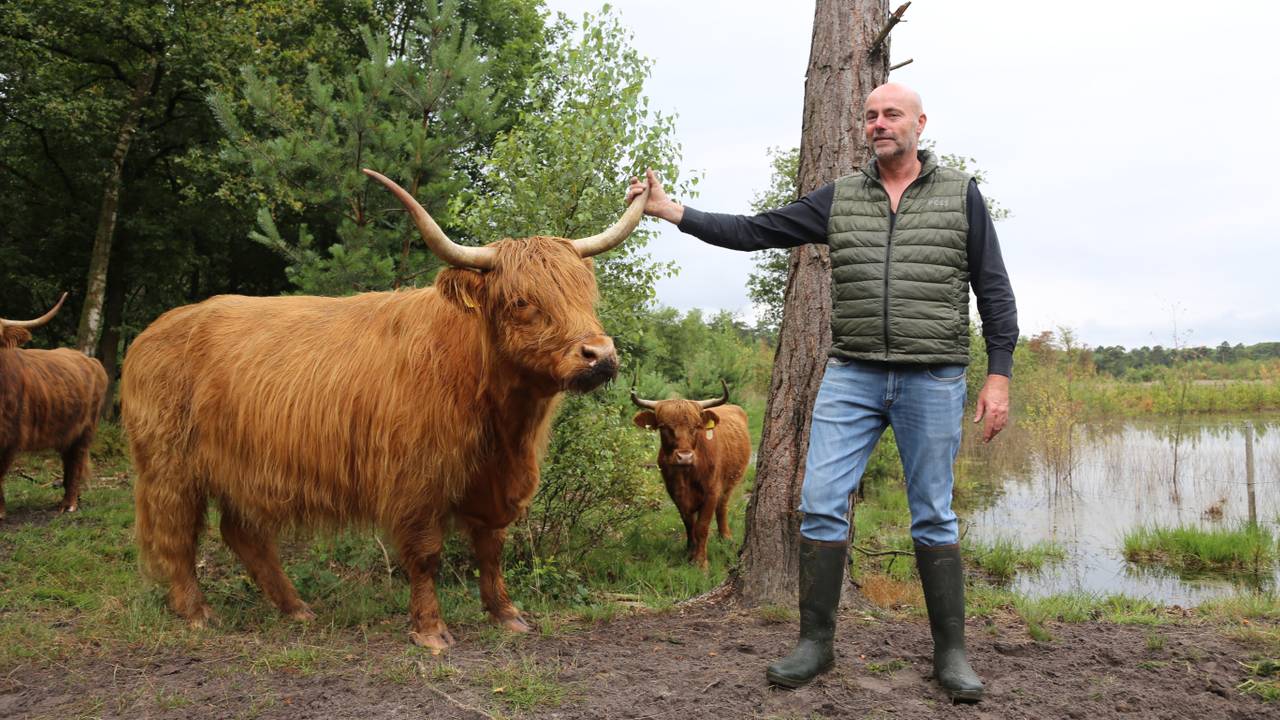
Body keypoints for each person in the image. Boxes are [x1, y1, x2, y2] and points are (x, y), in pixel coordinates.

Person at [626, 82, 1017, 702]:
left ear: (920, 123)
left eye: (891, 114)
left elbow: (993, 288)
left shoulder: (959, 194)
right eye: (870, 116)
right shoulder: (842, 198)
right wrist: (674, 212)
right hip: (853, 374)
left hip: (934, 374)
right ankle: (815, 643)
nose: (879, 124)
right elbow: (756, 230)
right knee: (821, 501)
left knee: (934, 513)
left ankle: (951, 655)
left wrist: (999, 373)